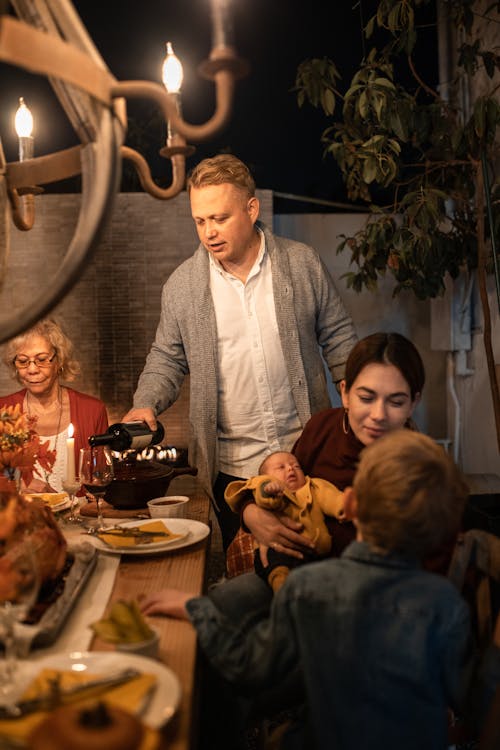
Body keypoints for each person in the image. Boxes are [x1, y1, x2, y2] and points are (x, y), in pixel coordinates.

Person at [140, 431, 500, 750]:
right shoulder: (444, 603)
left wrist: (196, 608)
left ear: (352, 506)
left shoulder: (307, 588)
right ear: (437, 531)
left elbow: (251, 666)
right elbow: (473, 699)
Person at [122, 154, 357, 551]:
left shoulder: (302, 264)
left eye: (219, 218)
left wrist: (352, 389)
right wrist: (146, 403)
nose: (209, 232)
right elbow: (167, 357)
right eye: (200, 221)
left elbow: (337, 335)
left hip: (305, 453)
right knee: (251, 571)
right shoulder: (181, 287)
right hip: (233, 468)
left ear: (251, 209)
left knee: (320, 561)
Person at [226, 331, 426, 579]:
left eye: (395, 402)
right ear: (345, 393)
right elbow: (284, 484)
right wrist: (252, 513)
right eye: (366, 398)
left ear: (413, 403)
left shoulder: (421, 467)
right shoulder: (322, 428)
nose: (378, 414)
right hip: (294, 568)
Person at [1, 318, 109, 493]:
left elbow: (102, 480)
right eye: (23, 361)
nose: (32, 369)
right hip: (21, 516)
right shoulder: (3, 411)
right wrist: (16, 485)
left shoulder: (92, 410)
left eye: (42, 359)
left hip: (79, 517)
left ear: (59, 361)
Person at [225, 451, 345, 592]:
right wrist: (268, 490)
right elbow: (264, 499)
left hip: (316, 551)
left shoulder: (313, 486)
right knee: (275, 559)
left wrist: (345, 507)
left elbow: (331, 497)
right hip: (279, 548)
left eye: (296, 466)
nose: (290, 469)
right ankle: (280, 585)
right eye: (281, 467)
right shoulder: (272, 492)